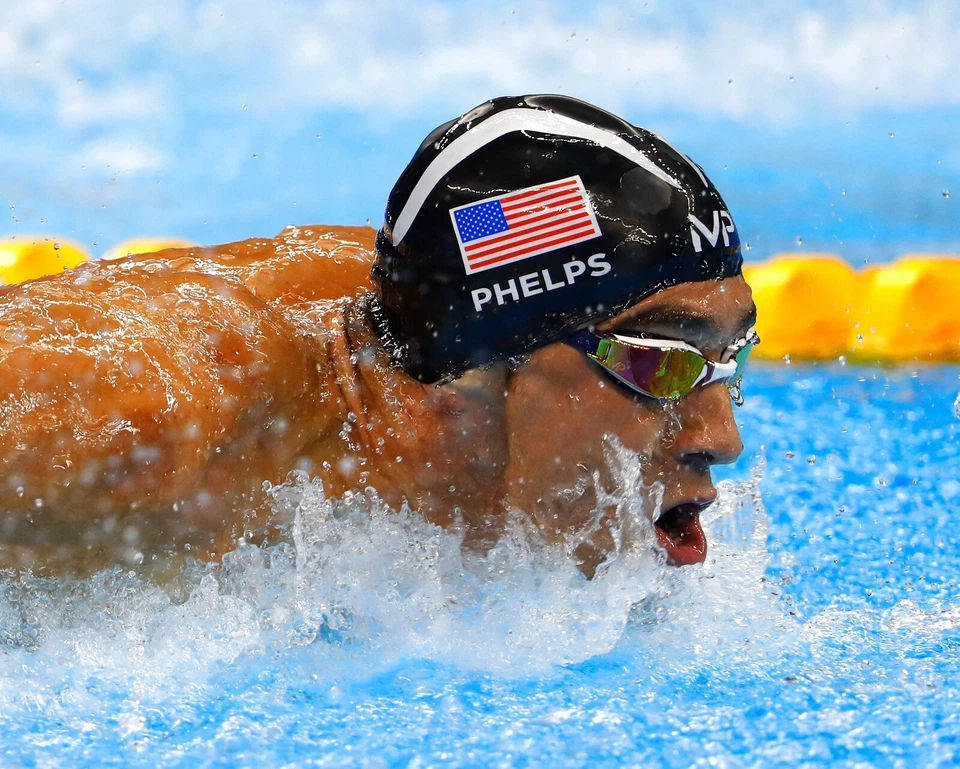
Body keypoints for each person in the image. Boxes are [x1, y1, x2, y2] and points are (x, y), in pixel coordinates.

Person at [0, 95, 756, 577]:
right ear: (474, 370)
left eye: (728, 360)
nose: (723, 439)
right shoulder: (144, 415)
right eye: (659, 363)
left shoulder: (432, 323)